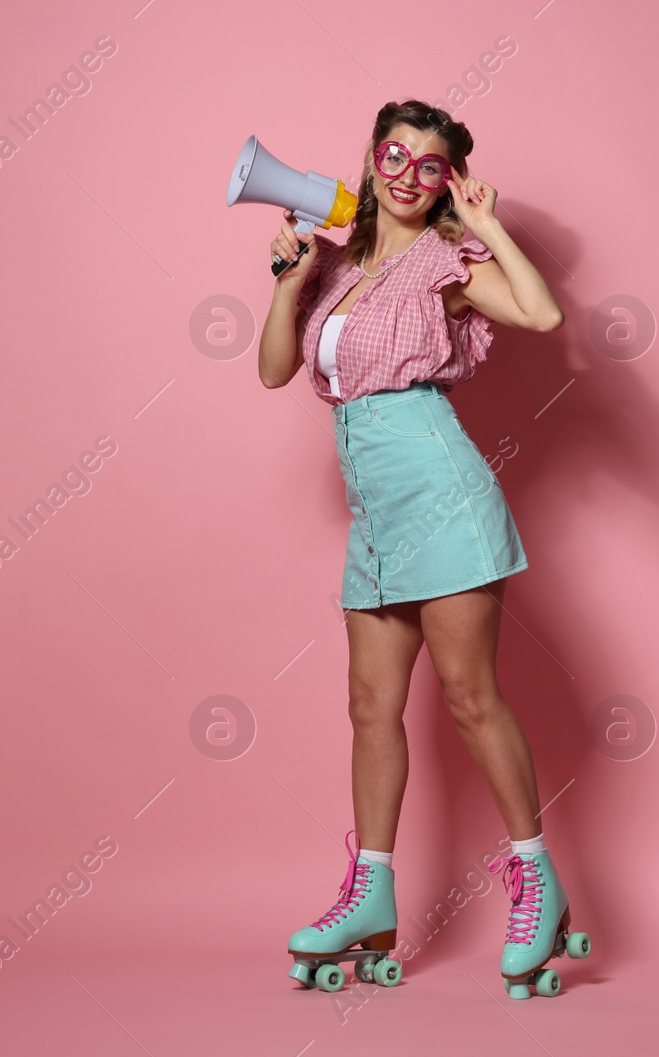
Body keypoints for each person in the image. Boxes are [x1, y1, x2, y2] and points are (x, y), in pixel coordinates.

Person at [257, 100, 581, 999]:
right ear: (372, 157)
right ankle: (371, 893)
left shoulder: (448, 262)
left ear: (445, 182)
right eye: (394, 154)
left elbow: (543, 315)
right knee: (370, 705)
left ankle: (536, 879)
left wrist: (484, 226)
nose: (405, 172)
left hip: (442, 493)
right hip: (375, 509)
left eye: (428, 165)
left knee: (472, 697)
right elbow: (277, 369)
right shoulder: (338, 258)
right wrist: (287, 282)